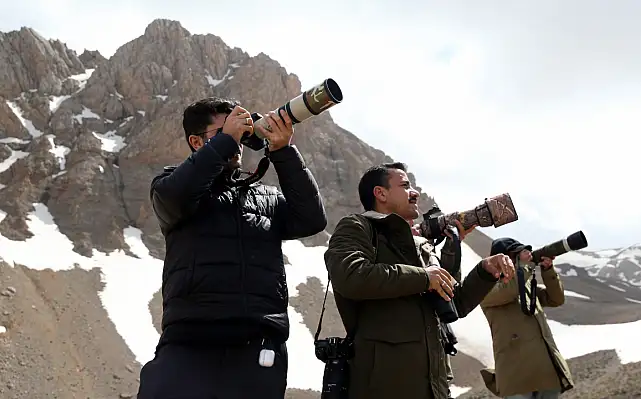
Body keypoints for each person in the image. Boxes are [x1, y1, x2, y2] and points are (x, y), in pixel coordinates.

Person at [137, 97, 328, 399]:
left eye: (239, 133)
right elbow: (176, 195)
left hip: (259, 342)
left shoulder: (266, 197)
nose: (237, 142)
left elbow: (312, 220)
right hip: (191, 339)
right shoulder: (170, 186)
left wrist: (283, 151)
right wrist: (226, 140)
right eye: (224, 131)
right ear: (196, 141)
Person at [323, 162, 516, 399]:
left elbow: (453, 304)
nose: (414, 192)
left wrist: (485, 271)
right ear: (380, 193)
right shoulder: (357, 227)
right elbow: (350, 276)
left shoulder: (421, 245)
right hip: (384, 386)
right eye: (405, 185)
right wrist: (424, 277)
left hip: (434, 387)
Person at [478, 237, 574, 399]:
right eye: (518, 254)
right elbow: (510, 290)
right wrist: (525, 267)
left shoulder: (527, 284)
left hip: (545, 371)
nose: (525, 257)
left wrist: (548, 270)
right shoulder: (485, 288)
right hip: (517, 377)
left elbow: (556, 299)